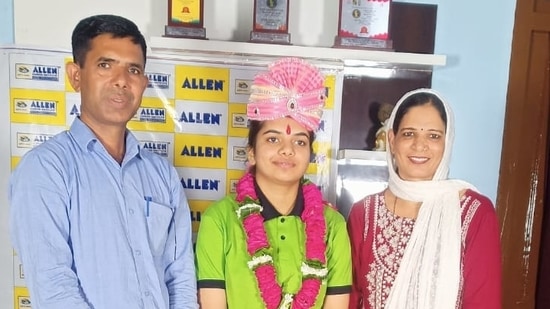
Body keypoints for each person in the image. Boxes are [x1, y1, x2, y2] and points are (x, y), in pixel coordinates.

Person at [9, 14, 198, 309]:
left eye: (133, 69)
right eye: (105, 65)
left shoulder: (162, 174)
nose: (121, 80)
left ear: (144, 83)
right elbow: (54, 287)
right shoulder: (46, 169)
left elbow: (181, 278)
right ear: (76, 75)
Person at [195, 57, 352, 309]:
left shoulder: (332, 226)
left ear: (310, 155)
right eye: (272, 140)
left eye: (300, 142)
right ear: (251, 153)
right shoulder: (219, 220)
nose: (287, 150)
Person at [347, 88, 501, 309]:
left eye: (433, 136)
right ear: (392, 139)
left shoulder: (474, 213)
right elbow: (350, 298)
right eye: (409, 133)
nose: (420, 145)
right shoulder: (364, 213)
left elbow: (483, 303)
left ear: (447, 142)